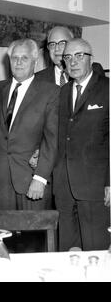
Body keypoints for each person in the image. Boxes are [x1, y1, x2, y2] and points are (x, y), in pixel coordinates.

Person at [0, 39, 59, 251]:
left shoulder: (51, 92)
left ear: (35, 61)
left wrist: (40, 178)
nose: (19, 62)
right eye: (14, 58)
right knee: (1, 246)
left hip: (32, 181)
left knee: (34, 246)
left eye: (24, 58)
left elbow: (52, 138)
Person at [53, 38, 110, 251]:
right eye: (68, 57)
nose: (73, 62)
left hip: (95, 188)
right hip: (64, 187)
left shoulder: (107, 89)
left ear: (90, 58)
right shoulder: (63, 92)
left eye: (79, 56)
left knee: (96, 250)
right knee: (67, 252)